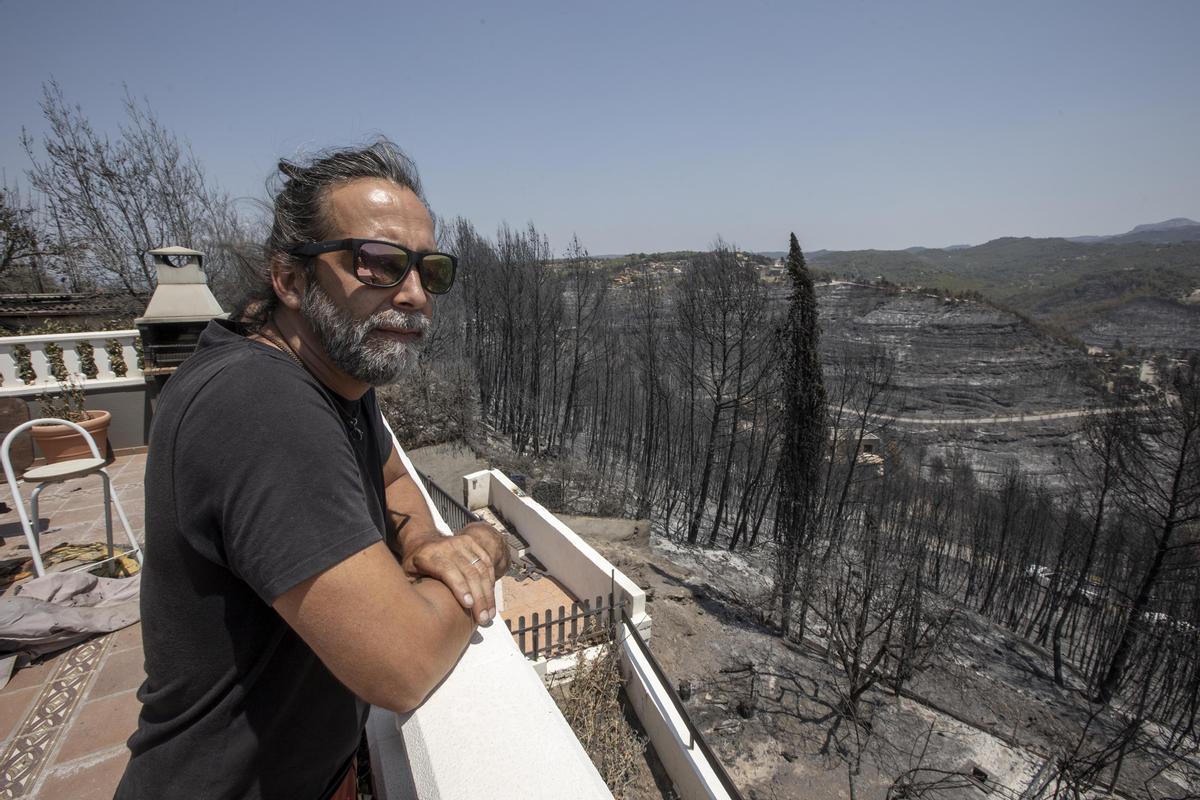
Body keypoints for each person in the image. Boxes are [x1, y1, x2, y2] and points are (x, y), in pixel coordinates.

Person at [117, 141, 509, 799]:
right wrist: (486, 547)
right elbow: (403, 664)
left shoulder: (334, 377)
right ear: (291, 279)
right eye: (378, 264)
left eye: (429, 270)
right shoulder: (261, 403)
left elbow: (387, 475)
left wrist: (425, 542)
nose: (414, 295)